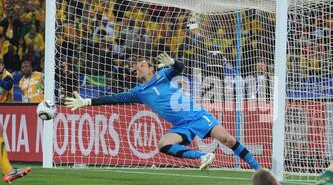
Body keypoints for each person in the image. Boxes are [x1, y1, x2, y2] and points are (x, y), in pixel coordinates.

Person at [65, 52, 261, 171]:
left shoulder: (162, 76)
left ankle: (258, 169)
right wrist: (87, 101)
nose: (138, 68)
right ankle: (201, 157)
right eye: (137, 67)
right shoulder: (138, 92)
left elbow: (180, 68)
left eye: (142, 65)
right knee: (163, 144)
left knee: (227, 139)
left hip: (197, 115)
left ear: (152, 68)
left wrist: (173, 62)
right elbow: (113, 99)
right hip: (181, 125)